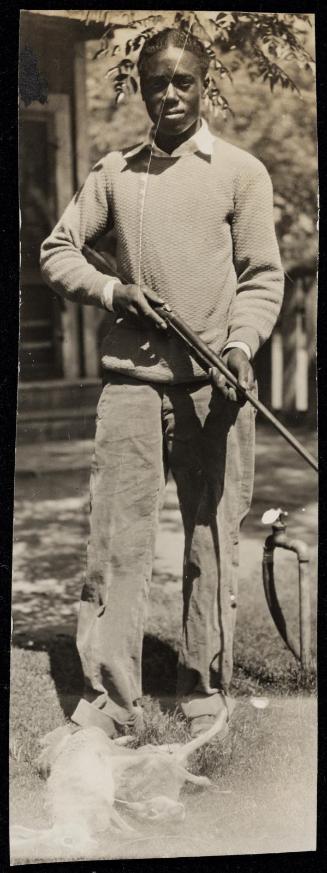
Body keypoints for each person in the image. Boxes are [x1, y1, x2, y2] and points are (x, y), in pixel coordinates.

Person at [40, 28, 284, 739]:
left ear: (205, 85)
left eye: (183, 81)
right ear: (141, 89)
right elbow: (58, 250)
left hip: (215, 385)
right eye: (157, 83)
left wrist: (240, 346)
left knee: (211, 536)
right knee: (116, 541)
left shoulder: (240, 172)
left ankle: (203, 682)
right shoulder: (116, 172)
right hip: (130, 386)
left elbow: (261, 278)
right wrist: (113, 292)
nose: (170, 94)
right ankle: (112, 699)